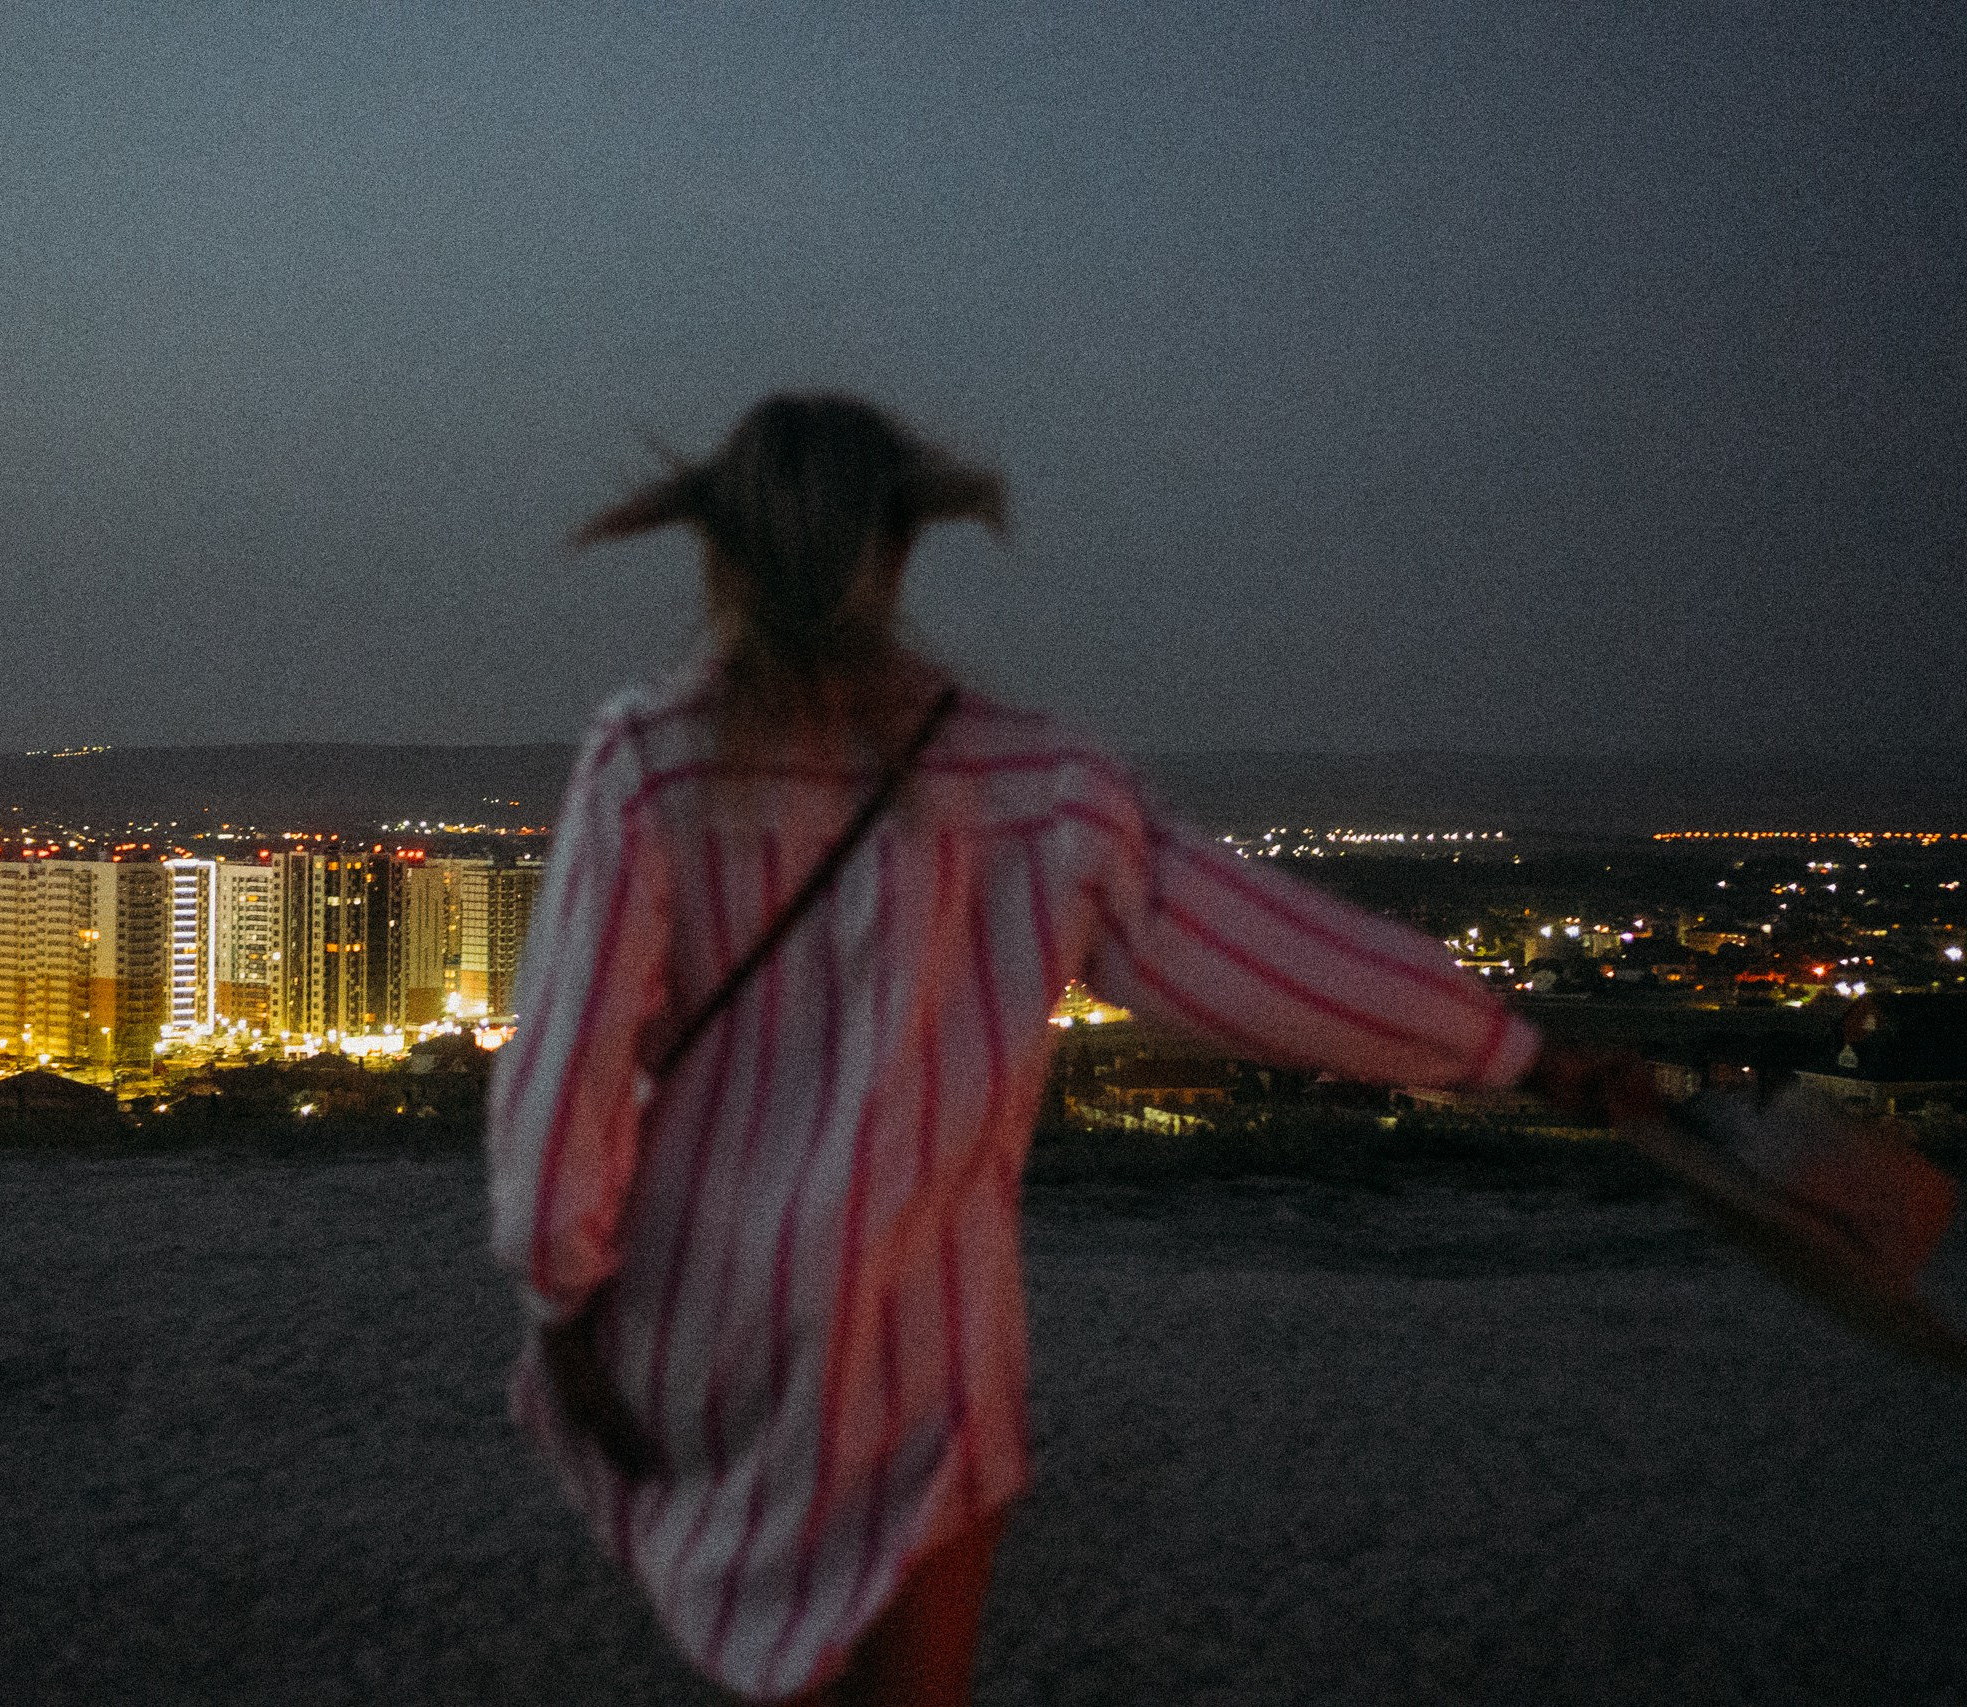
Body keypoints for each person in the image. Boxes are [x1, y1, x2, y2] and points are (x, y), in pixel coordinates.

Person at [485, 394, 1570, 1705]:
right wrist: (1514, 1050)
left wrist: (560, 1293)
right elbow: (1264, 960)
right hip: (928, 1342)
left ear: (715, 550)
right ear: (900, 548)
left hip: (703, 1322)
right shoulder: (1040, 786)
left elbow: (570, 1066)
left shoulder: (648, 765)